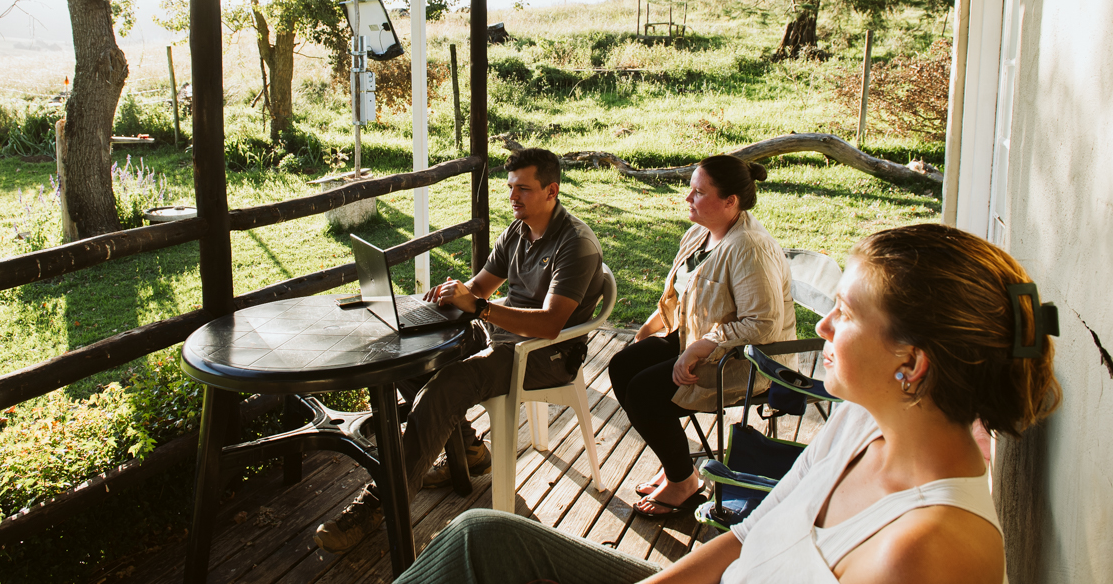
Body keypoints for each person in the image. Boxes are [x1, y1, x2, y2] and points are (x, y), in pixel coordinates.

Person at [386, 223, 1061, 584]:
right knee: (484, 537)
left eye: (846, 314)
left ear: (911, 364)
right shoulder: (861, 422)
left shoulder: (934, 550)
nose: (821, 326)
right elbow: (749, 536)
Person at [315, 147, 605, 552]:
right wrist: (457, 295)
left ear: (551, 191)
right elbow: (481, 289)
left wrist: (481, 307)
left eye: (524, 188)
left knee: (445, 386)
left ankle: (380, 503)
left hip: (543, 356)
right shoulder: (519, 231)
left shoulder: (575, 243)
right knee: (407, 357)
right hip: (501, 337)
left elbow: (551, 323)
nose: (513, 197)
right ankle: (467, 450)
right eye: (510, 188)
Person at [609, 154, 796, 517]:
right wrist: (654, 326)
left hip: (744, 362)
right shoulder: (699, 234)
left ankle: (682, 483)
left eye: (698, 192)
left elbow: (763, 324)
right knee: (622, 367)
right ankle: (679, 468)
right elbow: (684, 295)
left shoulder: (748, 248)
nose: (687, 198)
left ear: (731, 202)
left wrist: (698, 347)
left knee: (645, 393)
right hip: (697, 342)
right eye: (690, 189)